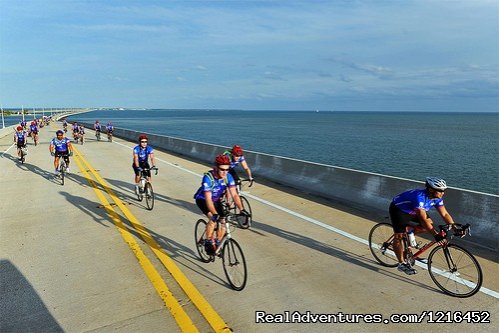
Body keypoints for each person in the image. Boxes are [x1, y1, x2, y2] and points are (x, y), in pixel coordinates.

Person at [389, 177, 456, 275]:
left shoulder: (437, 198)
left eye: (444, 191)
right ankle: (401, 263)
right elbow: (423, 219)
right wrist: (436, 235)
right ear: (431, 190)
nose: (443, 193)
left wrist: (454, 226)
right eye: (440, 191)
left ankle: (409, 233)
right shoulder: (419, 197)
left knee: (428, 226)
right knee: (399, 236)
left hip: (414, 211)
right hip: (399, 210)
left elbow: (444, 214)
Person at [194, 155, 250, 255]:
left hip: (216, 200)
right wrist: (215, 214)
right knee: (213, 219)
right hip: (203, 200)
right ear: (215, 167)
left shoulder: (228, 177)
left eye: (227, 169)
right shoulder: (208, 178)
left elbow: (235, 195)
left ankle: (218, 242)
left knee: (223, 221)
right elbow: (208, 200)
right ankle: (208, 241)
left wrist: (242, 209)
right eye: (222, 169)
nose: (225, 172)